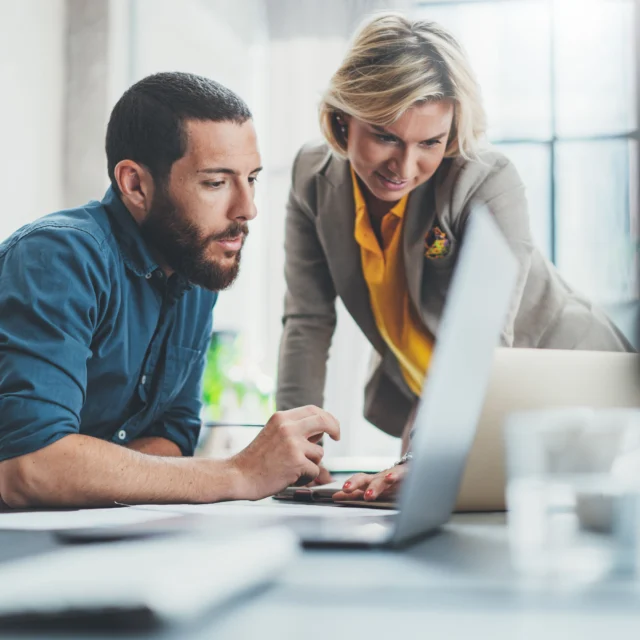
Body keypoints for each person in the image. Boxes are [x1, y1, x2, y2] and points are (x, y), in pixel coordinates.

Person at [275, 13, 632, 503]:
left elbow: (481, 347)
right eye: (385, 136)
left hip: (567, 385)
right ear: (343, 118)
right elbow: (307, 322)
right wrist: (294, 452)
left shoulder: (485, 182)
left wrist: (423, 457)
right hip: (441, 402)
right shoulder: (311, 179)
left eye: (430, 143)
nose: (405, 166)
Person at [0, 72, 339, 509]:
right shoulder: (58, 257)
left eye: (251, 178)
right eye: (216, 183)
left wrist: (89, 472)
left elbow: (172, 436)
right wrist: (238, 472)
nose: (247, 209)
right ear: (135, 185)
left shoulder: (193, 267)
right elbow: (30, 466)